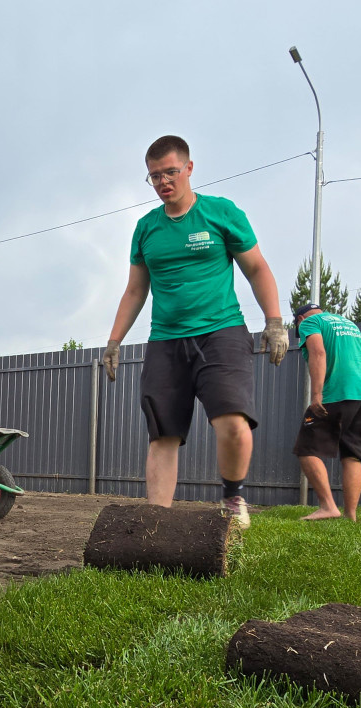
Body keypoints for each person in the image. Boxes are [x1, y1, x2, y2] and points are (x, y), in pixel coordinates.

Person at [102, 135, 289, 528]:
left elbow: (257, 267)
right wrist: (114, 341)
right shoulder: (146, 228)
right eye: (155, 176)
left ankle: (232, 497)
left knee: (233, 423)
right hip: (165, 341)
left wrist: (274, 321)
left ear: (189, 168)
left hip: (221, 332)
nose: (163, 182)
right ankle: (156, 523)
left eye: (170, 172)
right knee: (163, 434)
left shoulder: (221, 213)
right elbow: (135, 290)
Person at [291, 302, 361, 521]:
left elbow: (318, 353)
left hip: (336, 393)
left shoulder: (310, 323)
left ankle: (328, 507)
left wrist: (316, 395)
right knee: (352, 455)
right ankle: (351, 516)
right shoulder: (350, 325)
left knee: (306, 449)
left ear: (300, 320)